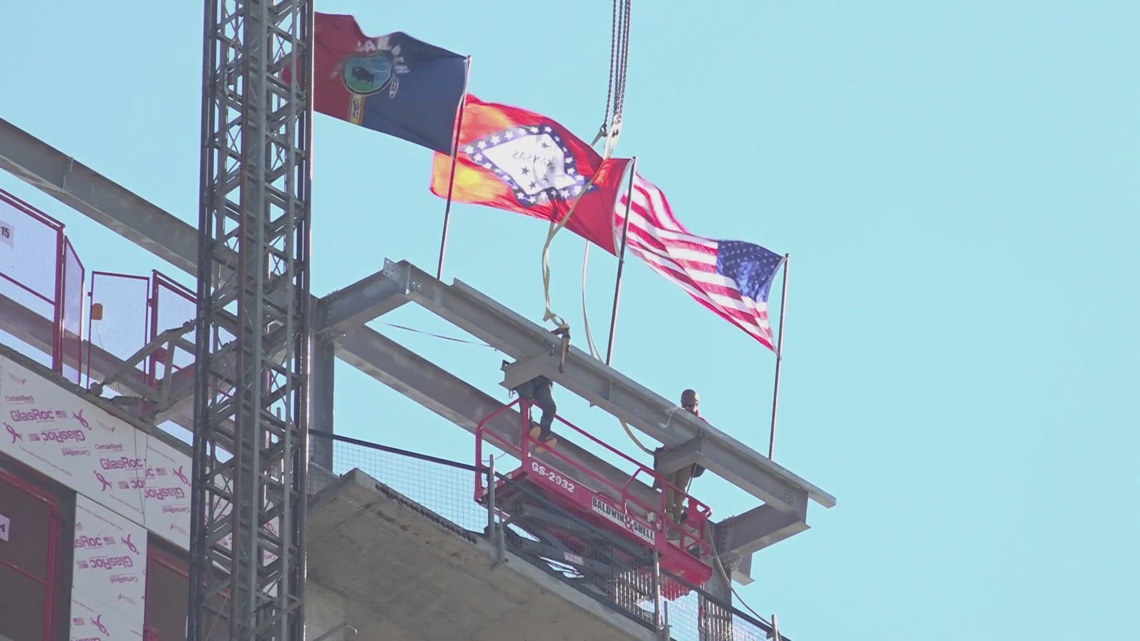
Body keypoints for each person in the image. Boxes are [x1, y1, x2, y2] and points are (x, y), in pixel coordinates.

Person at [655, 389, 706, 526]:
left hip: (687, 460)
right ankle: (670, 512)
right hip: (671, 453)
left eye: (690, 405)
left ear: (696, 404)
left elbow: (707, 443)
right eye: (686, 405)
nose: (688, 408)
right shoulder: (675, 416)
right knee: (670, 480)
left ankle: (677, 511)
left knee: (680, 486)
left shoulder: (701, 424)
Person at [513, 375, 557, 445]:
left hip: (542, 379)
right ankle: (529, 426)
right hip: (525, 375)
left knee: (550, 407)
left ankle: (544, 434)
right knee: (526, 401)